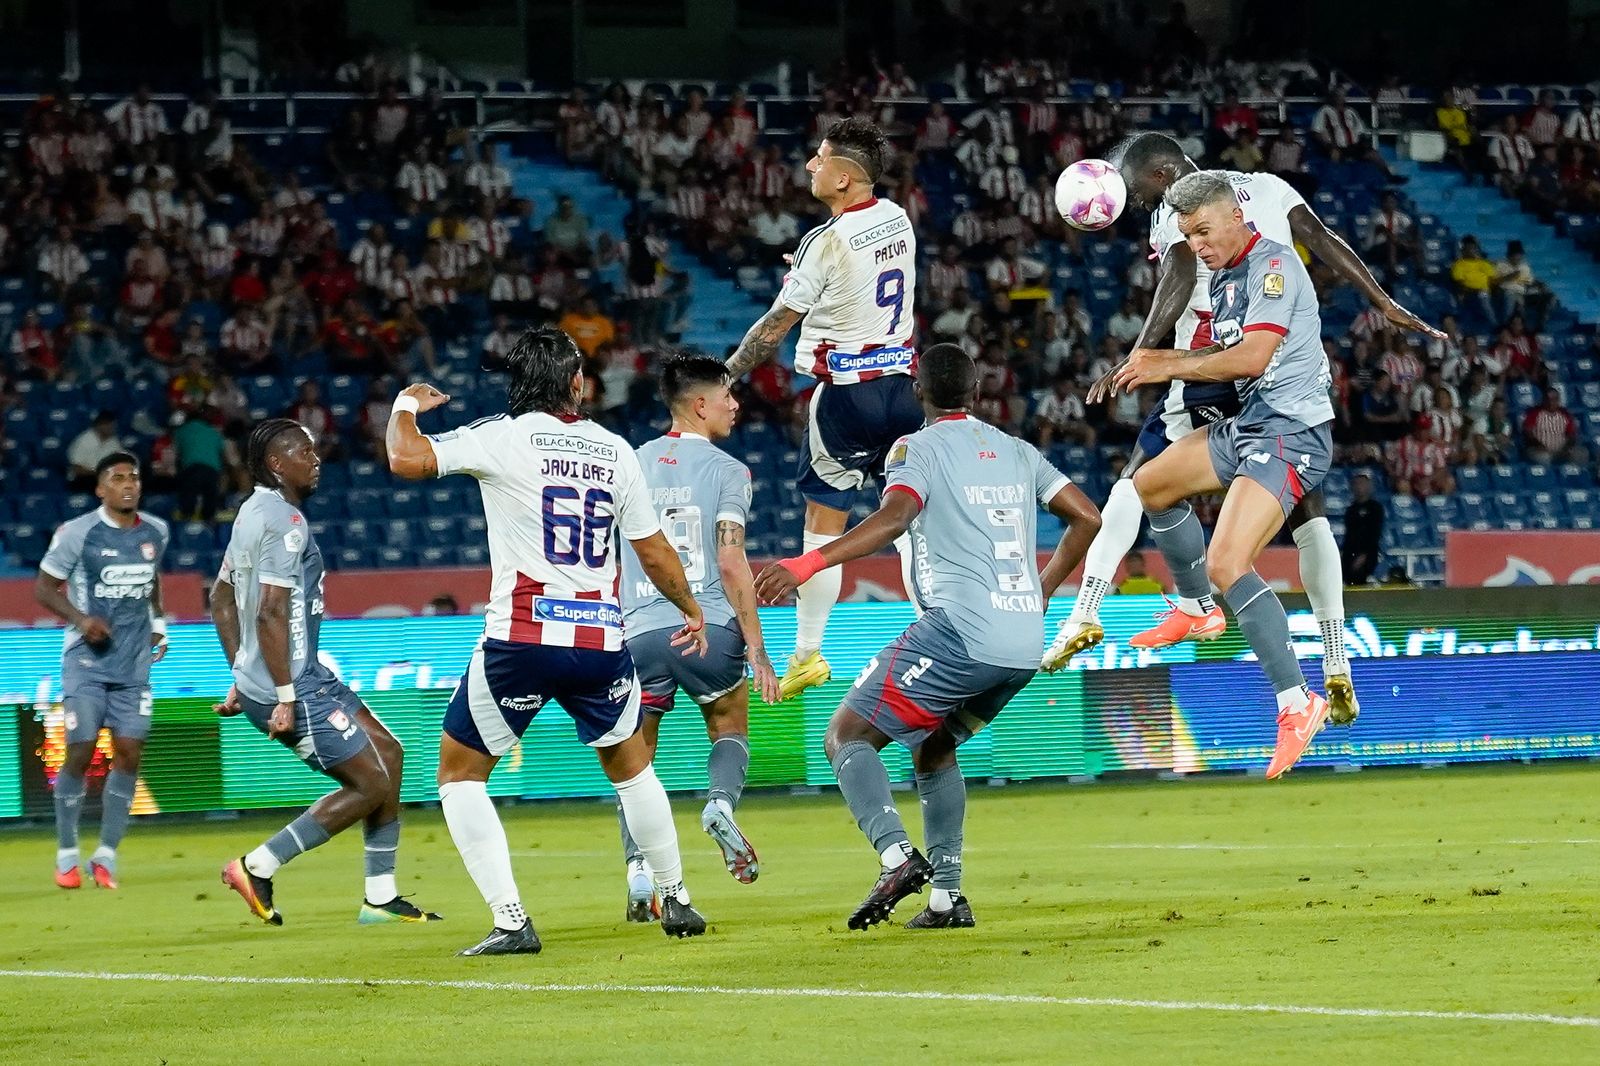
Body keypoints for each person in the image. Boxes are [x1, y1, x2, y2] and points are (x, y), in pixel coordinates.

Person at [1050, 134, 1440, 729]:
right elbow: (1321, 239)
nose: (1136, 203)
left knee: (1138, 480)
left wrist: (1143, 354)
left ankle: (1098, 611)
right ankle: (1336, 658)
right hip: (1289, 372)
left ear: (1160, 175)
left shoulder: (1177, 217)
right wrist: (1379, 299)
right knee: (1307, 514)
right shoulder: (1262, 188)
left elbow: (1177, 276)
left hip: (1216, 368)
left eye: (1136, 189)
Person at [385, 326, 712, 953]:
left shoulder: (499, 436)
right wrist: (690, 607)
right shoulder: (614, 450)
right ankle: (676, 897)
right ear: (574, 383)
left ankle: (511, 920)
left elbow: (405, 459)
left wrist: (405, 405)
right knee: (634, 771)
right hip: (599, 640)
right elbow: (652, 549)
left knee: (458, 775)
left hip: (523, 639)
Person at [754, 343, 1100, 928]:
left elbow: (894, 517)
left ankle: (896, 857)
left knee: (845, 737)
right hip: (1021, 643)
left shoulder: (915, 447)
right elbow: (1088, 517)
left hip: (960, 632)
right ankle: (946, 897)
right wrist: (1039, 592)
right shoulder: (1019, 451)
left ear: (918, 392)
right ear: (976, 393)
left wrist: (805, 565)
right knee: (934, 747)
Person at [1107, 170, 1338, 780]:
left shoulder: (1273, 266)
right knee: (1150, 485)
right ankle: (1195, 608)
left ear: (1237, 214)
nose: (1198, 248)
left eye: (1204, 233)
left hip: (1291, 434)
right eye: (1188, 236)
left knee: (1228, 563)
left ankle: (1297, 701)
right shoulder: (1226, 271)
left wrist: (1167, 364)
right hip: (1250, 426)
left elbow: (1253, 357)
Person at [723, 116, 922, 702]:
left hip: (846, 397)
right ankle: (941, 627)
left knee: (824, 524)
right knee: (909, 520)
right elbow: (860, 275)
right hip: (904, 392)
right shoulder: (898, 219)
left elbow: (774, 329)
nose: (810, 165)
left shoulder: (825, 242)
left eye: (820, 158)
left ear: (844, 177)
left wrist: (727, 374)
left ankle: (807, 655)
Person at [214, 419, 439, 928]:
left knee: (390, 755)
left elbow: (221, 597)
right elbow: (269, 611)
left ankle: (380, 896)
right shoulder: (285, 522)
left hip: (296, 673)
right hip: (291, 683)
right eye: (303, 452)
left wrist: (241, 671)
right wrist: (283, 695)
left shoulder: (251, 513)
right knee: (369, 785)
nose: (316, 460)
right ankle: (256, 865)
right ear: (276, 464)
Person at [616, 354, 782, 918]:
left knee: (636, 761)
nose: (737, 405)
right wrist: (756, 646)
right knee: (729, 725)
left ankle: (640, 872)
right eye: (728, 395)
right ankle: (719, 804)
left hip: (638, 630)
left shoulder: (628, 465)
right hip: (707, 629)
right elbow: (732, 561)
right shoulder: (730, 472)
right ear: (700, 404)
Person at [34, 453, 169, 889]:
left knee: (129, 752)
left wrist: (160, 625)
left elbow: (152, 580)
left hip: (134, 664)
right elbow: (43, 587)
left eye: (134, 477)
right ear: (100, 489)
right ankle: (67, 852)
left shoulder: (156, 531)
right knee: (81, 746)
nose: (128, 484)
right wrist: (81, 620)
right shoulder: (78, 533)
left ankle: (106, 855)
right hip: (86, 662)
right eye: (117, 478)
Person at [66, 411, 127, 492]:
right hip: (83, 479)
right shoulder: (84, 440)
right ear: (99, 426)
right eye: (107, 424)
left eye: (112, 424)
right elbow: (77, 469)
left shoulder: (114, 442)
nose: (111, 427)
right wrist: (98, 474)